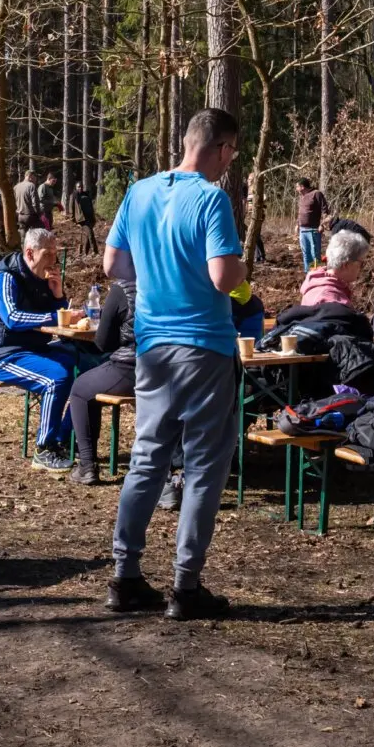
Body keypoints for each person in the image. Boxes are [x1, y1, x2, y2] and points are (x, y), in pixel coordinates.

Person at [102, 106, 246, 620]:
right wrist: (240, 266)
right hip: (204, 345)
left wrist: (154, 280)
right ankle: (186, 587)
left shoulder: (139, 191)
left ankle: (125, 576)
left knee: (148, 457)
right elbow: (223, 278)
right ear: (222, 149)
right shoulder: (212, 199)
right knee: (205, 465)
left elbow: (113, 264)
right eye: (231, 152)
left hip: (152, 346)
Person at [0, 227, 92, 471]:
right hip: (6, 354)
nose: (54, 260)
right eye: (49, 254)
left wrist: (58, 295)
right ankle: (44, 449)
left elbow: (57, 318)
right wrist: (55, 314)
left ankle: (63, 438)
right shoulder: (6, 277)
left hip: (37, 349)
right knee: (57, 378)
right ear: (30, 253)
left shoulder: (43, 279)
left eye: (56, 253)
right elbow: (13, 318)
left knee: (89, 370)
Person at [66, 278, 136, 487]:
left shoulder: (123, 288)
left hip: (131, 368)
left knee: (80, 389)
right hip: (170, 367)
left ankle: (87, 465)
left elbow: (103, 342)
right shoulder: (172, 280)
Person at [300, 228, 369, 308]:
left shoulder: (317, 281)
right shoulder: (334, 304)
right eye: (361, 263)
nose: (362, 268)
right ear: (346, 265)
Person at [295, 178, 330, 272]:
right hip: (303, 230)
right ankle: (308, 274)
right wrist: (297, 224)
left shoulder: (316, 194)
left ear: (302, 187)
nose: (296, 189)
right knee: (306, 253)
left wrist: (322, 224)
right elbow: (301, 212)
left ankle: (316, 274)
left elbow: (325, 210)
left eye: (297, 186)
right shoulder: (302, 197)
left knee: (315, 254)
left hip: (313, 230)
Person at [71, 179, 99, 255]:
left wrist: (94, 217)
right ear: (76, 187)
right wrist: (73, 220)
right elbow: (72, 208)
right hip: (82, 219)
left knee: (87, 236)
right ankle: (95, 251)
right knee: (90, 233)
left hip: (90, 218)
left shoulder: (86, 195)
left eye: (81, 187)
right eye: (79, 187)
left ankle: (84, 253)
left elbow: (91, 207)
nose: (80, 188)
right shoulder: (74, 196)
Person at [14, 169, 42, 234]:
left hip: (19, 216)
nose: (36, 179)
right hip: (29, 216)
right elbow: (35, 202)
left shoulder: (16, 186)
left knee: (22, 234)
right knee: (34, 235)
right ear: (30, 176)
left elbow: (13, 201)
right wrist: (39, 214)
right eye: (35, 177)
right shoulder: (31, 186)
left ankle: (23, 243)